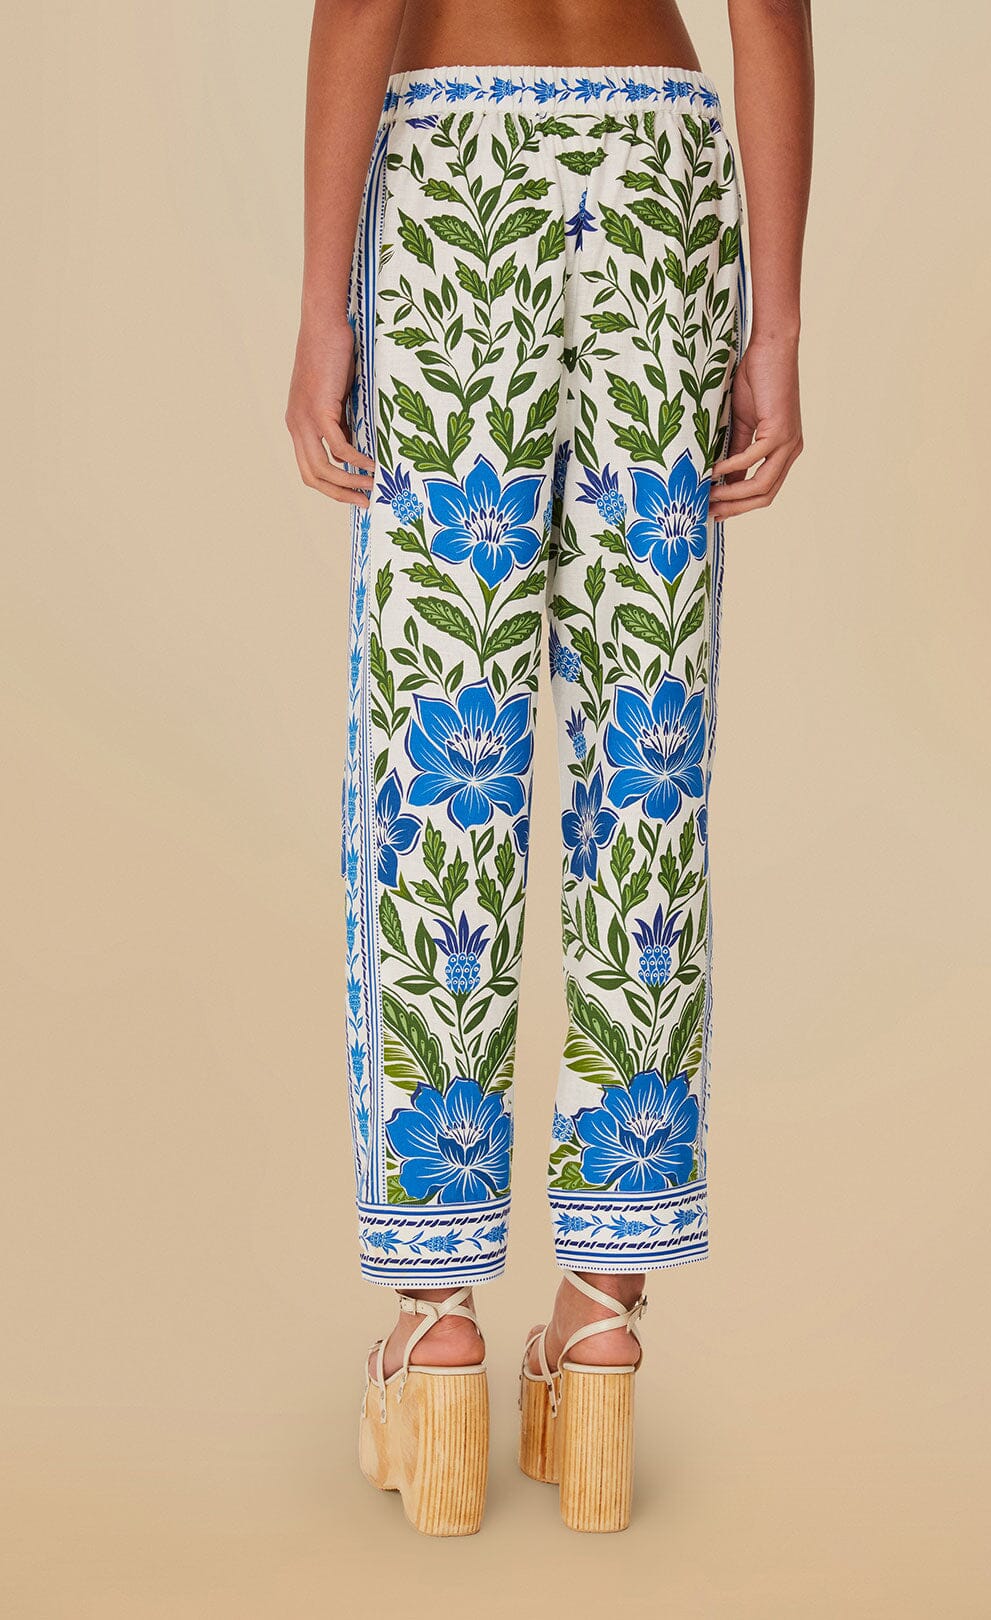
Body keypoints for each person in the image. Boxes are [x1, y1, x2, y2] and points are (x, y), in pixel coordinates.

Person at [286, 0, 813, 1535]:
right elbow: (770, 9)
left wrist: (323, 306)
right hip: (661, 170)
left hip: (467, 167)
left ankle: (436, 1318)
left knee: (438, 735)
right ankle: (599, 1316)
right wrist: (776, 327)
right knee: (647, 751)